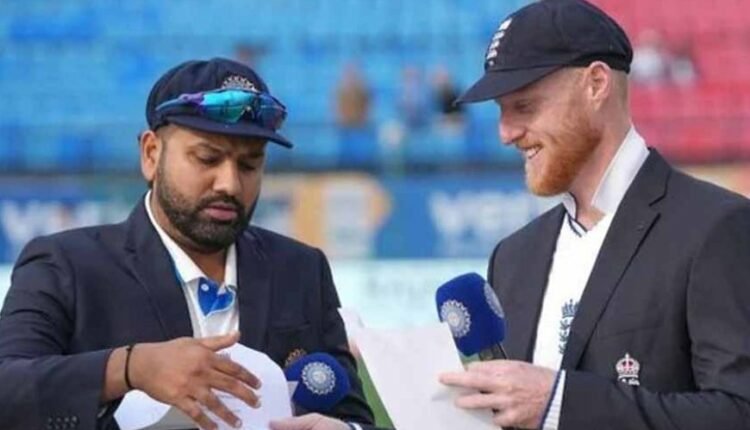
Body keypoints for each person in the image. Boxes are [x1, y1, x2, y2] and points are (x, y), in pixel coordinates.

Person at [0, 58, 374, 430]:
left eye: (249, 165)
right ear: (151, 154)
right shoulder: (65, 265)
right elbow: (8, 388)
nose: (229, 184)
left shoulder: (302, 269)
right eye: (207, 158)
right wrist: (131, 367)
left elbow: (354, 416)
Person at [437, 1, 750, 429]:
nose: (506, 133)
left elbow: (740, 412)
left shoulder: (716, 228)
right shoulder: (513, 257)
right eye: (501, 110)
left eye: (525, 106)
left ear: (596, 84)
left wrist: (560, 403)